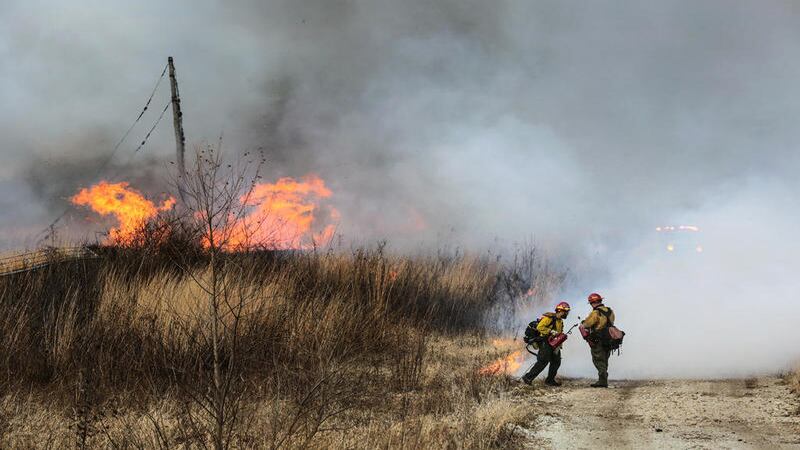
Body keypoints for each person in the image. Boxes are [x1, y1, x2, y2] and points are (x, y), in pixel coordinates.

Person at [521, 302, 571, 386]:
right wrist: (551, 331)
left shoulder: (560, 321)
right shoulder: (549, 318)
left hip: (554, 344)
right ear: (560, 311)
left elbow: (559, 333)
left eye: (567, 312)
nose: (566, 313)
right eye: (565, 311)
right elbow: (539, 327)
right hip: (545, 342)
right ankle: (528, 377)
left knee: (556, 361)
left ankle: (550, 381)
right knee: (543, 361)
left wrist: (559, 345)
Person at [581, 293, 615, 388]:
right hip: (609, 338)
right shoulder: (610, 310)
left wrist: (583, 322)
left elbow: (587, 324)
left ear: (593, 302)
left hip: (598, 338)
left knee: (598, 359)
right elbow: (611, 322)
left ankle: (602, 381)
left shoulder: (596, 312)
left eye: (591, 303)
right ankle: (603, 378)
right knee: (605, 358)